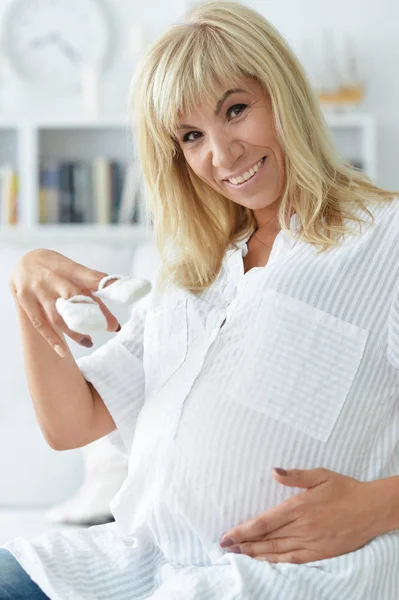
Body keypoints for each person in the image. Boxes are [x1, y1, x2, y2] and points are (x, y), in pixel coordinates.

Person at [2, 1, 399, 598]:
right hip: (132, 566)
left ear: (282, 94)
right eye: (191, 136)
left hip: (281, 582)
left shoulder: (385, 239)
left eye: (236, 110)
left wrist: (380, 505)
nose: (222, 153)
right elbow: (71, 423)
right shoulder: (196, 271)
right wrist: (27, 284)